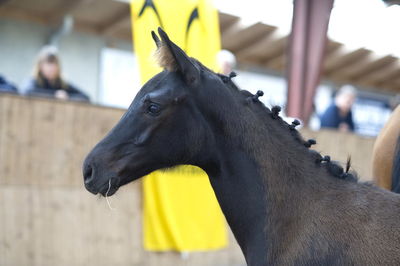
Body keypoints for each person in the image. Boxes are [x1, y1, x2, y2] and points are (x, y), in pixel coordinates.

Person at [24, 46, 89, 102]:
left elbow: (85, 97)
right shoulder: (34, 81)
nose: (51, 68)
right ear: (40, 66)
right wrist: (54, 95)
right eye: (48, 64)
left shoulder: (62, 84)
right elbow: (27, 92)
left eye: (54, 64)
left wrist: (67, 97)